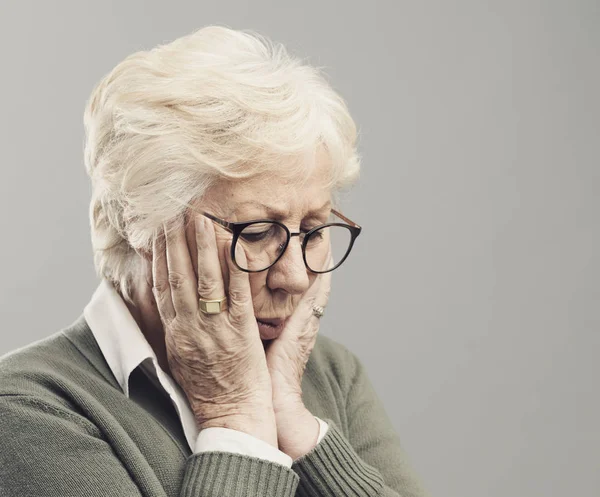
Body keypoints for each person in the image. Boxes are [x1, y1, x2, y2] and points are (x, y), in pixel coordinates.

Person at [0, 26, 427, 497]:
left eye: (312, 230)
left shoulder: (332, 373)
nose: (297, 276)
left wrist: (303, 433)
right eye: (259, 232)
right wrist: (237, 418)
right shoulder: (27, 409)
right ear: (145, 225)